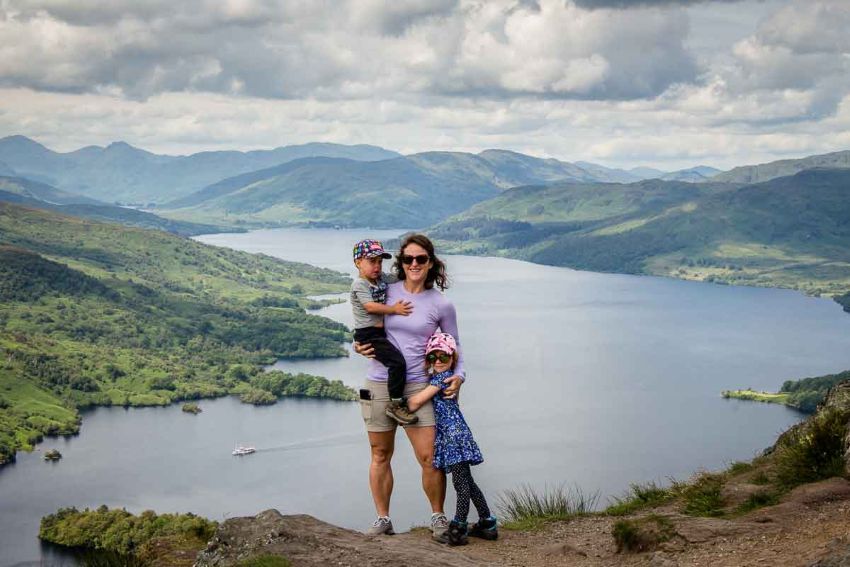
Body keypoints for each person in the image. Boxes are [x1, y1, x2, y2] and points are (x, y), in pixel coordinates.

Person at [355, 234, 464, 542]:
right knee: (379, 453)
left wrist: (460, 376)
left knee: (429, 457)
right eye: (408, 259)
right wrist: (357, 345)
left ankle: (438, 518)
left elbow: (457, 348)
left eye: (421, 259)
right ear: (401, 263)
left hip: (418, 386)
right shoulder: (384, 291)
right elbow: (363, 322)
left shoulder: (441, 304)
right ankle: (383, 519)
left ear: (431, 262)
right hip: (379, 382)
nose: (414, 264)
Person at [406, 331, 498, 546]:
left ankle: (459, 526)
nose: (437, 361)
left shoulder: (441, 379)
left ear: (453, 359)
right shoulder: (447, 379)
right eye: (432, 357)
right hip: (458, 434)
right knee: (469, 482)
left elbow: (414, 403)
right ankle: (488, 523)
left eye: (443, 357)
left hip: (453, 437)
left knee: (461, 485)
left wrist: (396, 400)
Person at [350, 239, 418, 425]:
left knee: (395, 362)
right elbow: (370, 307)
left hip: (377, 334)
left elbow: (399, 277)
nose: (377, 266)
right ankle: (395, 404)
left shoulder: (380, 280)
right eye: (372, 261)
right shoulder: (360, 284)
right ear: (358, 263)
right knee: (397, 363)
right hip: (368, 335)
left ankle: (395, 401)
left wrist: (412, 266)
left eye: (380, 261)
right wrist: (394, 309)